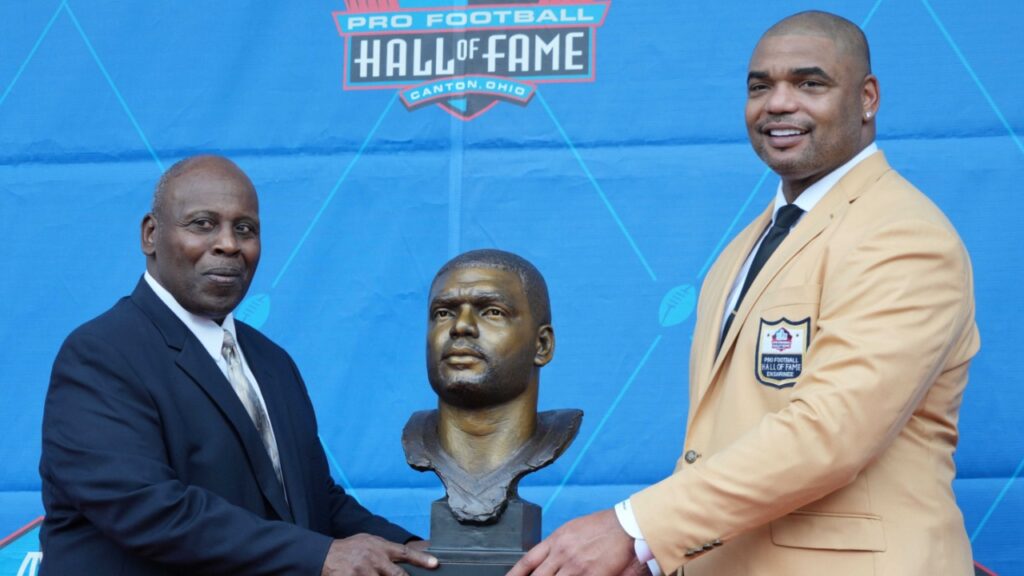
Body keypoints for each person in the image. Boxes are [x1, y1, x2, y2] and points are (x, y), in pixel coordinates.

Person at [508, 10, 978, 576]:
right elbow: (725, 442)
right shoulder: (745, 248)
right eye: (760, 87)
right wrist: (656, 552)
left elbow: (830, 431)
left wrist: (636, 527)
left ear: (867, 98)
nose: (778, 103)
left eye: (810, 83)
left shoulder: (903, 233)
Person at [39, 155, 438, 575]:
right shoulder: (101, 354)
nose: (229, 244)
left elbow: (316, 501)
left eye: (245, 229)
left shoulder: (272, 362)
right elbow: (148, 510)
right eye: (203, 224)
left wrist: (419, 552)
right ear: (151, 234)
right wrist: (319, 556)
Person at [402, 249, 582, 523]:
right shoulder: (417, 440)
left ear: (542, 345)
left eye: (492, 312)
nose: (460, 326)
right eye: (443, 313)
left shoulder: (555, 435)